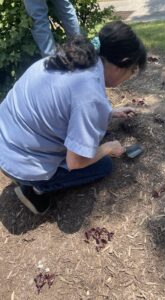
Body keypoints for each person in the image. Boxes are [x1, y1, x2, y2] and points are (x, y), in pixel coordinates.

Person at [0, 20, 147, 215]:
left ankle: (30, 175)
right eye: (132, 70)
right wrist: (106, 148)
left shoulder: (68, 59)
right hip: (21, 162)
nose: (129, 76)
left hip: (6, 140)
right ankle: (36, 189)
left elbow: (62, 103)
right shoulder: (91, 96)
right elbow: (75, 162)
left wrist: (109, 112)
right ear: (123, 63)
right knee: (103, 165)